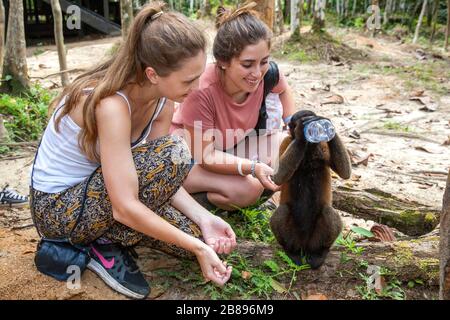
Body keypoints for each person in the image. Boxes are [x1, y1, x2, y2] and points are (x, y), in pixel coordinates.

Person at [29, 2, 235, 300]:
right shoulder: (111, 104)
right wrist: (198, 247)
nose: (197, 88)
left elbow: (157, 177)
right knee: (176, 154)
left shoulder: (163, 100)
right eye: (189, 80)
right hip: (58, 210)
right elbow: (125, 205)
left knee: (194, 235)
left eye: (198, 77)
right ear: (152, 74)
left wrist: (204, 219)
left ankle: (109, 237)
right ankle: (101, 245)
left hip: (105, 194)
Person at [170, 2, 296, 211]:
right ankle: (200, 203)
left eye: (263, 61)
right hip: (190, 158)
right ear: (223, 62)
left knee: (290, 148)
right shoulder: (201, 90)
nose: (257, 73)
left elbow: (283, 89)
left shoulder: (266, 74)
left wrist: (291, 121)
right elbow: (206, 156)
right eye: (247, 64)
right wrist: (251, 168)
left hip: (229, 146)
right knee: (249, 189)